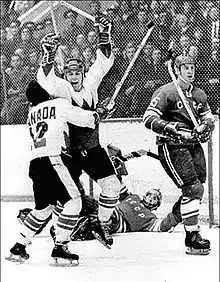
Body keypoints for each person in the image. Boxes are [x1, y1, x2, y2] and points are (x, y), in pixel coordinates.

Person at [37, 15, 121, 248]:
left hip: (93, 150)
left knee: (112, 186)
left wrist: (104, 34)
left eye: (77, 73)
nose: (74, 77)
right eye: (70, 73)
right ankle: (58, 231)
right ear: (66, 75)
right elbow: (46, 80)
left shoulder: (91, 84)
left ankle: (101, 223)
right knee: (65, 199)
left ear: (82, 73)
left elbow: (103, 62)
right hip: (69, 153)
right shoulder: (62, 89)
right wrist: (48, 54)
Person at [5, 80, 112, 266]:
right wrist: (101, 111)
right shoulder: (59, 104)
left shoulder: (32, 113)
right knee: (74, 202)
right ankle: (61, 246)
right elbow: (87, 119)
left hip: (36, 162)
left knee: (44, 209)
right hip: (54, 159)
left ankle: (19, 246)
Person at [142, 53, 215, 255]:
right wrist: (169, 127)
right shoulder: (166, 92)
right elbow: (148, 118)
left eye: (192, 67)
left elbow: (208, 117)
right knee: (192, 188)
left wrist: (206, 126)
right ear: (177, 70)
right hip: (172, 146)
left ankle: (170, 222)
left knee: (198, 188)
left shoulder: (199, 94)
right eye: (185, 68)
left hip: (192, 144)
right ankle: (192, 236)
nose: (190, 71)